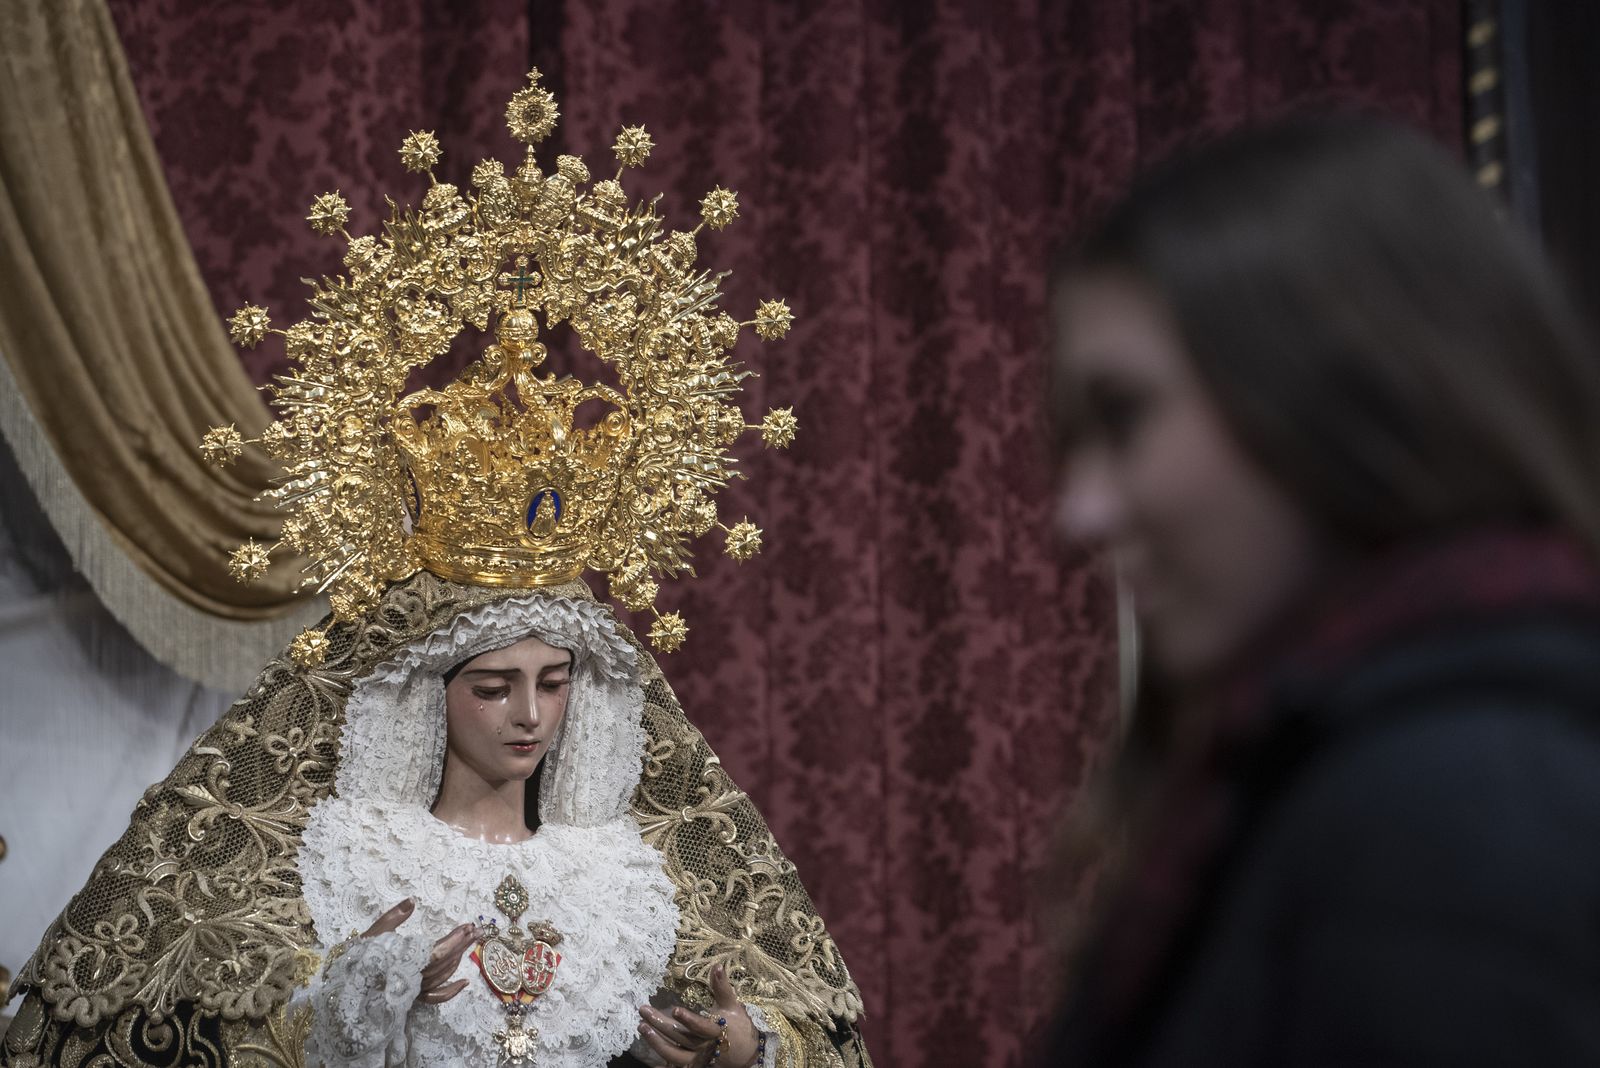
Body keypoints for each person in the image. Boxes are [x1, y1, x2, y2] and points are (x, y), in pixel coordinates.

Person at [0, 70, 870, 1068]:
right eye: (493, 687)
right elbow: (150, 1020)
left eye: (554, 683)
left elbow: (813, 1026)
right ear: (425, 688)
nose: (530, 716)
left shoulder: (636, 873)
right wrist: (351, 1007)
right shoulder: (330, 860)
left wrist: (747, 1047)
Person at [1046, 115, 1600, 1065]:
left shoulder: (1456, 799)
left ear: (1337, 392)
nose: (1081, 511)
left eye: (1125, 416)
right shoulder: (1321, 758)